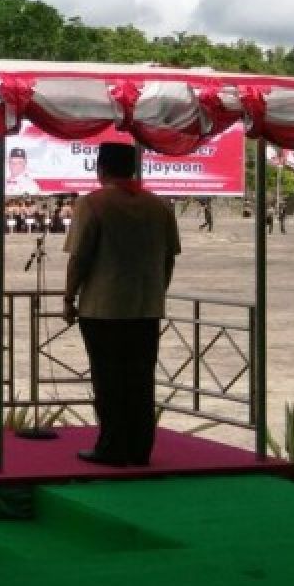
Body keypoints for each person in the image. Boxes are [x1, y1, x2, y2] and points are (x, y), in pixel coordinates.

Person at [63, 142, 181, 468]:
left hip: (103, 309)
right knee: (141, 380)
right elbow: (169, 259)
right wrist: (156, 293)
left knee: (109, 380)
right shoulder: (159, 206)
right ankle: (140, 448)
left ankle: (112, 447)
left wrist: (68, 298)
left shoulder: (92, 204)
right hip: (146, 307)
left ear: (100, 168)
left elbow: (79, 259)